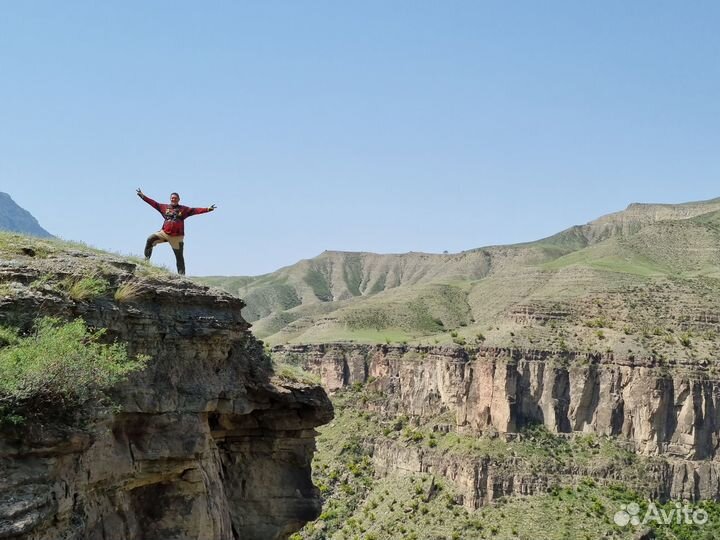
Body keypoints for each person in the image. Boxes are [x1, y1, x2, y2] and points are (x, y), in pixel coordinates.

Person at [136, 188, 216, 275]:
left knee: (179, 257)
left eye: (175, 198)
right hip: (164, 233)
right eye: (172, 198)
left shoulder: (184, 209)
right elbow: (154, 203)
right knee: (150, 239)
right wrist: (143, 196)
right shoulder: (164, 207)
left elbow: (195, 210)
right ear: (170, 199)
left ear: (178, 199)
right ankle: (146, 261)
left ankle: (181, 276)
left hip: (177, 237)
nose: (173, 199)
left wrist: (207, 209)